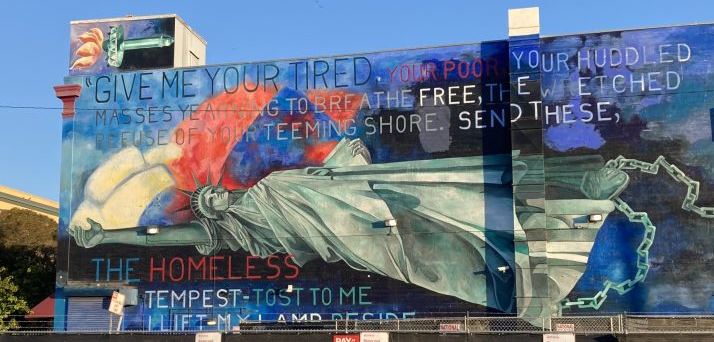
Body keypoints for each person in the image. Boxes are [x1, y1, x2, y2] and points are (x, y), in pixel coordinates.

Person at [70, 138, 628, 322]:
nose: (210, 198)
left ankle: (576, 198)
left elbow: (336, 168)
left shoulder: (267, 186)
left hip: (365, 196)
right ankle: (541, 271)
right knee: (445, 251)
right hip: (357, 236)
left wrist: (344, 168)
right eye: (203, 203)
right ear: (207, 214)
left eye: (209, 192)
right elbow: (158, 238)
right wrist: (108, 237)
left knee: (457, 198)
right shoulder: (237, 232)